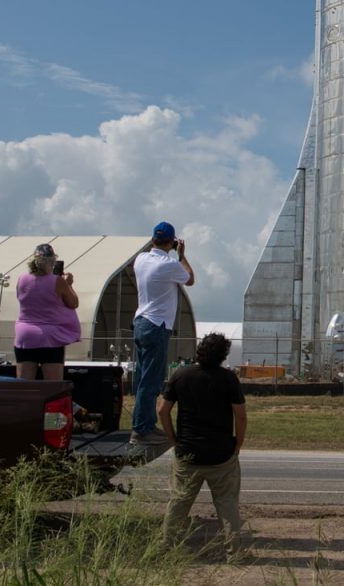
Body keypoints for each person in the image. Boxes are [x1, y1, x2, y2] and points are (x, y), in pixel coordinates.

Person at [158, 332, 247, 556]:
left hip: (188, 452)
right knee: (227, 504)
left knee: (178, 504)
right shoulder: (228, 378)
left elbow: (163, 410)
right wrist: (238, 444)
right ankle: (234, 552)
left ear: (199, 350)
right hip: (221, 454)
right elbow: (241, 416)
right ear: (223, 355)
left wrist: (173, 438)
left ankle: (167, 548)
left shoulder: (180, 375)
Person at [131, 221, 195, 445]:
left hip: (141, 321)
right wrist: (182, 255)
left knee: (142, 378)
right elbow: (190, 278)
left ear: (153, 239)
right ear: (172, 241)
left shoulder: (141, 260)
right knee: (152, 380)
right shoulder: (169, 264)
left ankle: (144, 424)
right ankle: (142, 429)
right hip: (157, 325)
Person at [13, 243, 81, 381]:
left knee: (24, 386)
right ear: (52, 262)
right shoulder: (58, 281)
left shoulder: (22, 279)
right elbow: (73, 303)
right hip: (50, 337)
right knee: (52, 387)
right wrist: (68, 284)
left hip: (25, 336)